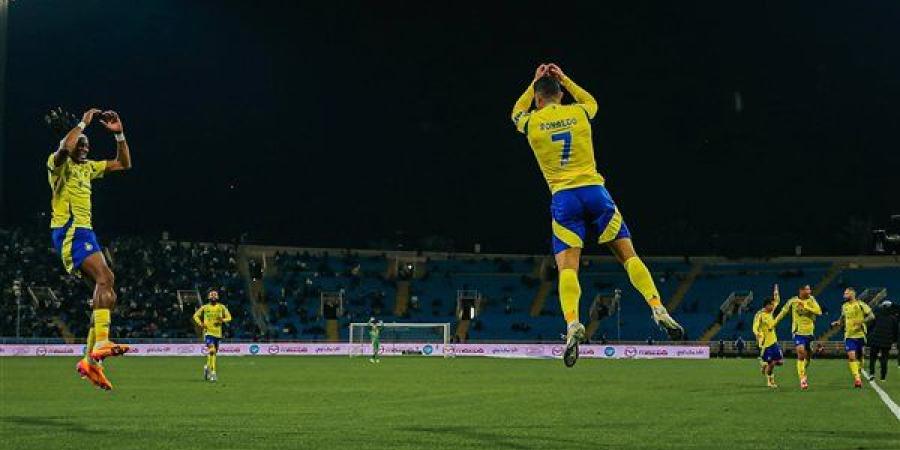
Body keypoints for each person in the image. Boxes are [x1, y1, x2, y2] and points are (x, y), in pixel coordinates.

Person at [510, 64, 684, 367]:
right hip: (595, 191)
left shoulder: (532, 122)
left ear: (538, 99)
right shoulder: (578, 112)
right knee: (628, 256)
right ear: (561, 94)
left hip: (563, 198)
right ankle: (657, 307)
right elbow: (592, 102)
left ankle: (572, 323)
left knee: (567, 268)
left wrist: (533, 81)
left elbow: (514, 113)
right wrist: (564, 78)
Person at [46, 108, 133, 390]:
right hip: (71, 232)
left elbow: (123, 164)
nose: (84, 148)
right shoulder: (58, 165)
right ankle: (101, 344)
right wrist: (82, 123)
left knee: (109, 290)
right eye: (81, 143)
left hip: (87, 233)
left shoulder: (88, 168)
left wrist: (119, 133)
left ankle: (90, 361)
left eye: (87, 144)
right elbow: (64, 148)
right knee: (105, 279)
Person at [772, 284, 821, 389]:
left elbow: (819, 311)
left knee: (808, 355)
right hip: (798, 332)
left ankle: (803, 369)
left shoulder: (812, 300)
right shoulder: (793, 301)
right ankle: (803, 379)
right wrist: (773, 324)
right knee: (800, 352)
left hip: (809, 332)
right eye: (807, 289)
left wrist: (806, 306)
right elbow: (783, 312)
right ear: (801, 290)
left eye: (809, 289)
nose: (810, 291)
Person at [830, 287, 875, 388]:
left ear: (852, 294)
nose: (844, 295)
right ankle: (857, 378)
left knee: (860, 356)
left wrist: (861, 322)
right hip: (849, 335)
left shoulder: (861, 304)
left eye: (846, 294)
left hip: (860, 334)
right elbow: (842, 318)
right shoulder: (844, 306)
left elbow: (872, 316)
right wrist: (837, 322)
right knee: (851, 356)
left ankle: (858, 371)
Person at [193, 290, 232, 382]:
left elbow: (229, 317)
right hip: (208, 333)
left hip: (218, 334)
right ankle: (213, 374)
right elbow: (195, 316)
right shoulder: (205, 307)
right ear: (209, 297)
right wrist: (201, 324)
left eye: (215, 296)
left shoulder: (221, 307)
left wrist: (222, 320)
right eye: (212, 296)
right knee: (212, 351)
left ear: (217, 297)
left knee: (213, 353)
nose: (213, 297)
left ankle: (207, 367)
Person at [753, 287, 783, 388]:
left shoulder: (770, 311)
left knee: (780, 362)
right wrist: (757, 333)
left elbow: (777, 300)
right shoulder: (760, 315)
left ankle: (765, 365)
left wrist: (776, 292)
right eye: (771, 304)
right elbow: (755, 326)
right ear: (767, 306)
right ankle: (770, 381)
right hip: (766, 344)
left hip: (774, 341)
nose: (773, 306)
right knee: (772, 364)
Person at [866, 300, 899, 381]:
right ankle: (883, 377)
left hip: (875, 340)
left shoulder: (877, 315)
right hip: (887, 341)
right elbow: (895, 331)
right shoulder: (893, 318)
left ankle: (871, 373)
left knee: (872, 358)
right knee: (884, 358)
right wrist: (893, 340)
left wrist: (868, 336)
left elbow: (870, 327)